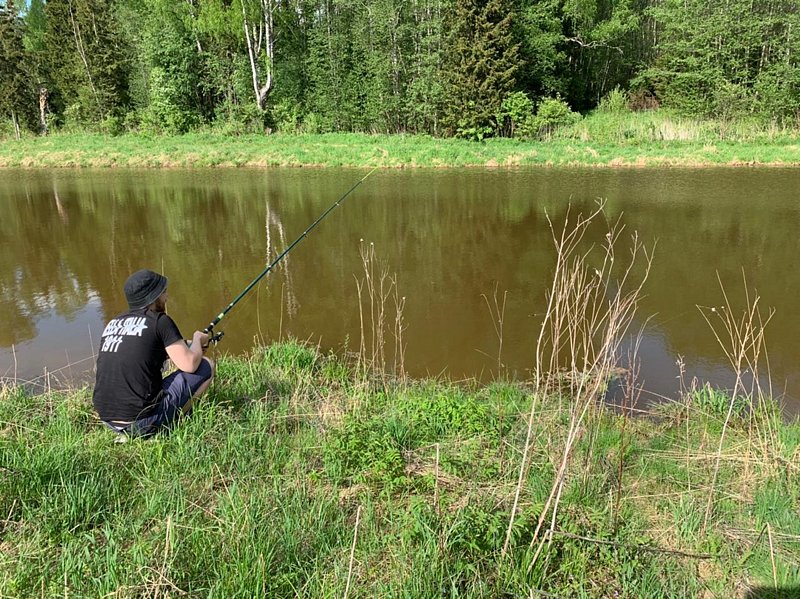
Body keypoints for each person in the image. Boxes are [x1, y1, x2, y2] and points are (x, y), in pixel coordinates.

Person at [92, 269, 215, 439]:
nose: (166, 297)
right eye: (163, 292)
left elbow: (144, 348)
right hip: (141, 422)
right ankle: (172, 421)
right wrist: (196, 340)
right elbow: (190, 364)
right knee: (206, 365)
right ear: (153, 297)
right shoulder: (160, 321)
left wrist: (192, 346)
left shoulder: (114, 322)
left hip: (107, 418)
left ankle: (129, 431)